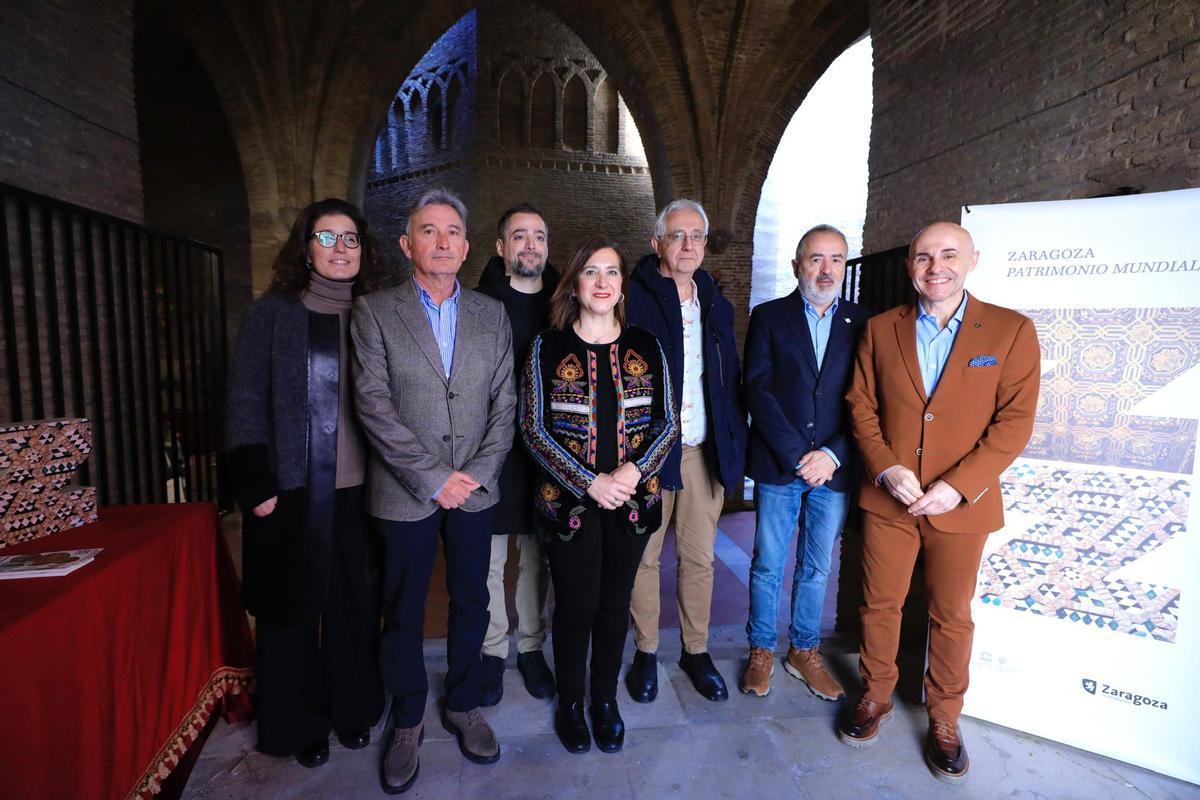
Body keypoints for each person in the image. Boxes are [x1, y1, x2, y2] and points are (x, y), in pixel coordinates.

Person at [841, 222, 1040, 783]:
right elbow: (860, 406)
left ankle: (945, 717)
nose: (936, 268)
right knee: (879, 604)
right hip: (892, 499)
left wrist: (958, 485)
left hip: (961, 504)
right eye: (924, 257)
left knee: (951, 614)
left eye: (949, 255)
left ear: (973, 260)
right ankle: (876, 694)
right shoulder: (881, 328)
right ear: (910, 266)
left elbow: (1014, 422)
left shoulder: (1010, 330)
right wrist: (886, 468)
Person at [351, 187, 515, 794]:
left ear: (467, 247)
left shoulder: (491, 315)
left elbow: (506, 403)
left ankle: (463, 702)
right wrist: (431, 477)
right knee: (403, 608)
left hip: (475, 486)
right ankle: (409, 716)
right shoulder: (374, 312)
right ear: (407, 243)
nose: (442, 242)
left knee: (473, 599)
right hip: (404, 491)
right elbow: (373, 404)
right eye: (429, 231)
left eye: (453, 232)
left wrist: (476, 471)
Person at [225, 198, 385, 768]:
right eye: (327, 237)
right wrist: (255, 482)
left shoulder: (376, 313)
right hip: (289, 490)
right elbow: (245, 400)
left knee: (353, 604)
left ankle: (352, 707)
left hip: (363, 491)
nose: (341, 249)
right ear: (305, 246)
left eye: (351, 239)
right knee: (291, 610)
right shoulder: (270, 314)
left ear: (364, 250)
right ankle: (298, 722)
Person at [520, 238, 678, 754]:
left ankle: (604, 700)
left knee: (614, 605)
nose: (603, 282)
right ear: (574, 284)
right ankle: (571, 702)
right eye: (591, 271)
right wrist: (591, 482)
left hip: (633, 500)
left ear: (622, 285)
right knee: (575, 606)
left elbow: (667, 423)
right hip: (569, 504)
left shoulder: (646, 345)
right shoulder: (547, 347)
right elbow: (533, 429)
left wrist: (632, 470)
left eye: (612, 272)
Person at [625, 198, 747, 703]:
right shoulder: (633, 298)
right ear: (657, 243)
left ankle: (695, 651)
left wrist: (732, 441)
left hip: (702, 449)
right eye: (677, 235)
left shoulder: (716, 303)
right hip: (649, 455)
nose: (688, 244)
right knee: (644, 557)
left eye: (697, 235)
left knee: (699, 559)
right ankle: (645, 652)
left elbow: (729, 378)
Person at [739, 225, 869, 699]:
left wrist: (831, 454)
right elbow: (757, 390)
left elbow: (867, 399)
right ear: (797, 266)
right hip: (781, 465)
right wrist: (800, 455)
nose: (826, 269)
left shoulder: (863, 322)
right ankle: (761, 650)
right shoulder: (769, 316)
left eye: (836, 259)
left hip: (834, 469)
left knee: (816, 567)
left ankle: (804, 650)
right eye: (816, 259)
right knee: (768, 564)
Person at [475, 203, 559, 705]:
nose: (531, 245)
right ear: (501, 247)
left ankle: (530, 648)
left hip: (545, 453)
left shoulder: (563, 303)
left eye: (539, 236)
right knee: (487, 559)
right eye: (520, 236)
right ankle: (491, 652)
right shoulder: (479, 303)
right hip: (492, 448)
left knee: (536, 557)